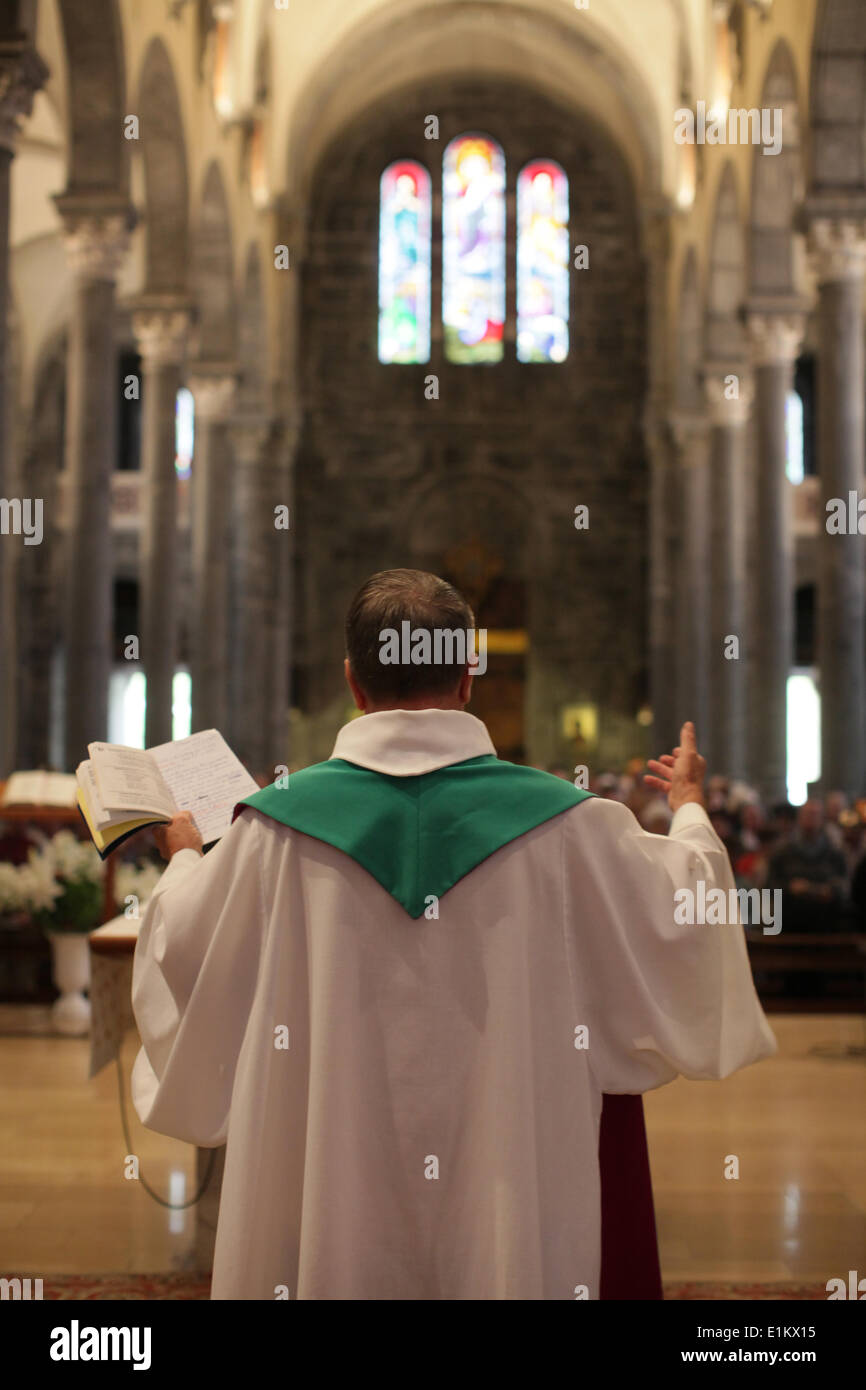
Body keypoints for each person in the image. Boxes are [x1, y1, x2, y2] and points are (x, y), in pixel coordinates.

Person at [131, 568, 776, 1301]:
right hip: (508, 1189)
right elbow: (690, 911)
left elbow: (183, 947)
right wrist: (689, 807)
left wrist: (185, 856)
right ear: (468, 680)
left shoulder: (273, 828)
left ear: (353, 682)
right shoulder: (569, 823)